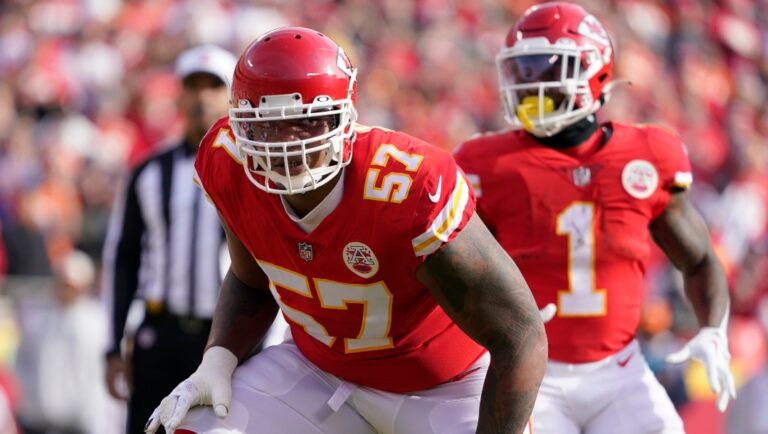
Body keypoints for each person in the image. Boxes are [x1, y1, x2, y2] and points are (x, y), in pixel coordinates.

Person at [145, 27, 546, 434]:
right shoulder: (227, 161)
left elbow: (521, 335)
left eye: (307, 120)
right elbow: (251, 281)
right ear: (242, 125)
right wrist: (218, 358)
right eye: (268, 124)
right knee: (189, 426)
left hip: (445, 388)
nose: (288, 141)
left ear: (344, 116)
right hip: (318, 372)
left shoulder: (407, 186)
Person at [453, 3, 736, 434]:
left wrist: (713, 329)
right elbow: (455, 273)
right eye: (522, 70)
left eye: (546, 69)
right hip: (528, 370)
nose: (530, 85)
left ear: (594, 71)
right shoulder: (485, 163)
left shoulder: (648, 154)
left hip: (620, 369)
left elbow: (698, 259)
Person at [102, 45, 238, 434]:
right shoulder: (148, 172)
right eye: (193, 86)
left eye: (213, 86)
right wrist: (113, 345)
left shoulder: (249, 170)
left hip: (225, 339)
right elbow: (123, 257)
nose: (202, 97)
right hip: (159, 334)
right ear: (178, 95)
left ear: (231, 97)